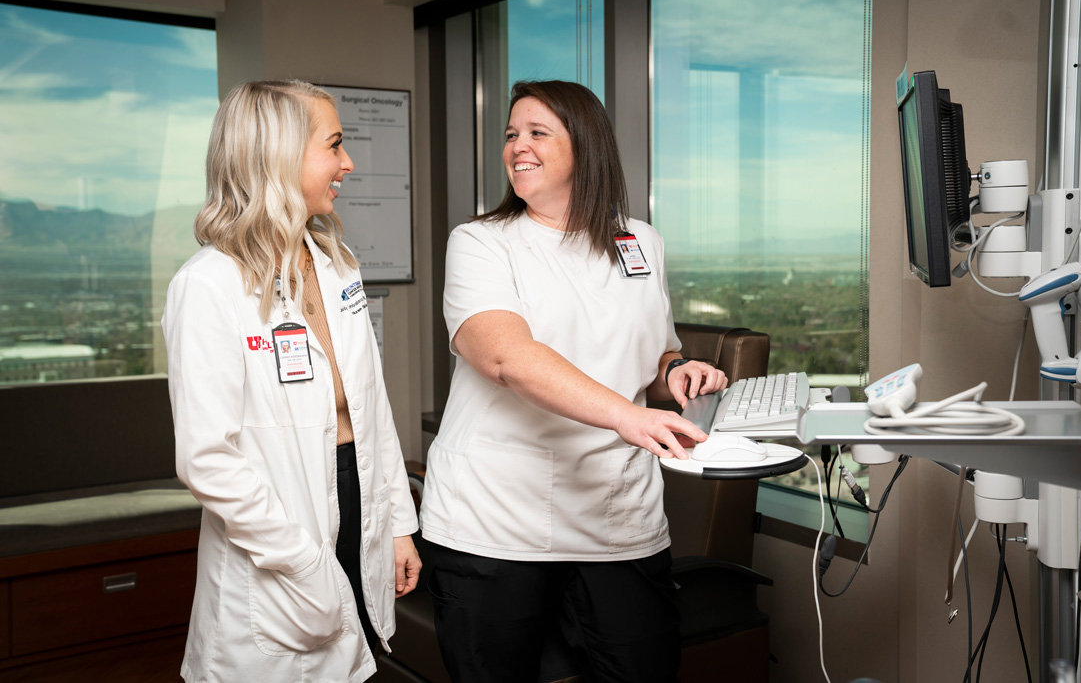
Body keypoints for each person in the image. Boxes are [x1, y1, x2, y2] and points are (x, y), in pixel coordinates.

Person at [418, 79, 729, 682]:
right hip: (497, 522)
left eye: (537, 133)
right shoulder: (482, 242)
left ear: (585, 148)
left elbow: (655, 355)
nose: (517, 147)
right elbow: (507, 357)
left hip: (618, 515)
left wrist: (677, 373)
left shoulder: (641, 241)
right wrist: (630, 415)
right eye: (511, 134)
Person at [162, 79, 421, 683]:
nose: (347, 163)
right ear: (279, 155)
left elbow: (370, 404)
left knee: (359, 664)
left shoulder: (334, 263)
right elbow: (206, 459)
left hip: (354, 502)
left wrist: (399, 524)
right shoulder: (209, 284)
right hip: (279, 532)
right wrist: (305, 562)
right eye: (334, 145)